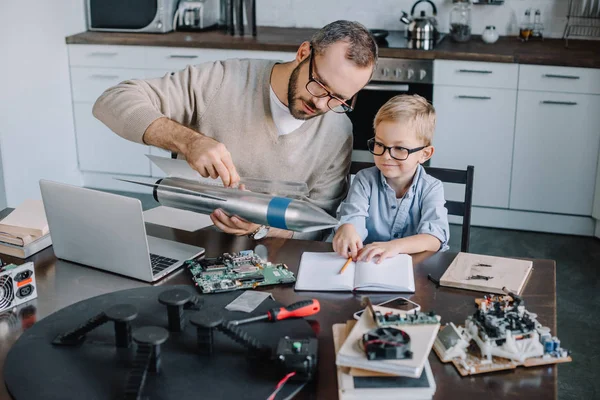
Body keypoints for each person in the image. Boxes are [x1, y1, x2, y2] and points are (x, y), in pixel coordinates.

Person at [92, 20, 377, 240]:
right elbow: (112, 101)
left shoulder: (337, 131)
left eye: (338, 98)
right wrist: (188, 141)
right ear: (303, 53)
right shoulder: (221, 80)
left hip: (269, 259)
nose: (320, 102)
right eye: (320, 84)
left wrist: (263, 229)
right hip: (187, 241)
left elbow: (319, 222)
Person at [332, 94, 449, 262]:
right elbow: (353, 217)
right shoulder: (364, 180)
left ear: (424, 154)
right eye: (380, 144)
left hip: (413, 271)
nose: (386, 156)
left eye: (400, 148)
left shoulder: (432, 188)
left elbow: (434, 238)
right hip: (368, 264)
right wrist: (348, 227)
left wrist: (395, 246)